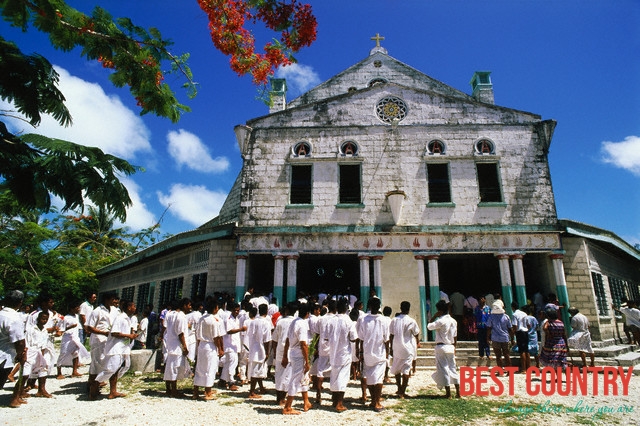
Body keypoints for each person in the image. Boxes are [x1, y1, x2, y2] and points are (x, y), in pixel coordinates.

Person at [95, 300, 138, 399]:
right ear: (129, 307)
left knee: (116, 370)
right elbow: (114, 333)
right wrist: (129, 335)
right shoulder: (120, 318)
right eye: (133, 306)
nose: (135, 308)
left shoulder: (127, 318)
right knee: (110, 369)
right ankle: (93, 387)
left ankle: (113, 391)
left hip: (122, 348)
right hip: (116, 348)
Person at [356, 297, 389, 412]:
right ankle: (377, 402)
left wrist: (359, 351)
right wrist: (388, 352)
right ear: (379, 306)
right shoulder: (384, 320)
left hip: (367, 352)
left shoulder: (363, 319)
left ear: (369, 306)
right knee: (378, 379)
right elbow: (387, 339)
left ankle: (373, 400)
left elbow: (360, 337)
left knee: (369, 378)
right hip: (379, 352)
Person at [86, 292, 118, 400]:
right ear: (107, 299)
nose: (115, 301)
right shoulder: (97, 311)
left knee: (112, 363)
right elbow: (89, 327)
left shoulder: (114, 310)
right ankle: (92, 389)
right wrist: (103, 333)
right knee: (96, 364)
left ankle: (113, 391)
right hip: (99, 341)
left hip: (110, 341)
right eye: (113, 299)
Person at [281, 303, 312, 414]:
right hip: (299, 354)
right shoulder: (302, 324)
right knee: (295, 379)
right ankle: (288, 407)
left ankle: (306, 401)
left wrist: (285, 355)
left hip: (293, 352)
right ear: (307, 313)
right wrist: (307, 361)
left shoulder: (294, 322)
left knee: (303, 377)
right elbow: (303, 343)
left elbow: (288, 340)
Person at [327, 298, 358, 412]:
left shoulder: (331, 321)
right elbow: (353, 338)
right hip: (344, 352)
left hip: (333, 352)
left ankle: (335, 400)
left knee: (334, 376)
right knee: (342, 378)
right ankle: (339, 403)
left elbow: (325, 337)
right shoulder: (348, 321)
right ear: (346, 308)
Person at [193, 299, 225, 400]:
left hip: (202, 344)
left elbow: (197, 334)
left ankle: (196, 391)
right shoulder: (213, 321)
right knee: (210, 369)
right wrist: (220, 348)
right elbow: (216, 337)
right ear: (215, 308)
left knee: (200, 368)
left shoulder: (201, 319)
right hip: (210, 345)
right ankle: (208, 392)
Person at [0, 290, 28, 407]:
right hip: (4, 355)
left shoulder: (1, 314)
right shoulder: (14, 317)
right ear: (20, 302)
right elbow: (19, 341)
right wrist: (21, 354)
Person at [427, 300, 460, 398]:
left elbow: (429, 326)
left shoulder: (440, 320)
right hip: (451, 346)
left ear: (440, 311)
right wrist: (455, 347)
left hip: (441, 346)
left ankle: (448, 393)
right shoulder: (453, 321)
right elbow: (455, 336)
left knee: (444, 369)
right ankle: (458, 392)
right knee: (453, 369)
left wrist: (434, 316)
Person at [389, 301, 420, 399]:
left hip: (397, 347)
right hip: (408, 348)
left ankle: (399, 388)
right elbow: (416, 333)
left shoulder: (394, 320)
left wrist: (390, 347)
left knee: (397, 369)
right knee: (406, 370)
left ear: (400, 308)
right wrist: (418, 342)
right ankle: (402, 392)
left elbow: (391, 335)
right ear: (409, 309)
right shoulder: (411, 321)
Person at [163, 298, 192, 398]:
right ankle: (174, 390)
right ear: (184, 305)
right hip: (177, 346)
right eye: (189, 305)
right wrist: (184, 346)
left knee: (170, 367)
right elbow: (180, 333)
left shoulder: (171, 314)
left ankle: (168, 388)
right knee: (174, 368)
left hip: (171, 344)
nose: (190, 307)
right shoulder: (181, 316)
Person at [25, 311, 55, 398]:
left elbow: (44, 343)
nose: (44, 321)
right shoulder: (31, 329)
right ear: (38, 319)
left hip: (40, 351)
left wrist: (41, 354)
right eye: (42, 319)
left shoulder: (45, 330)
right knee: (27, 371)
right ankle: (21, 390)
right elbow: (27, 341)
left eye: (46, 319)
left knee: (43, 368)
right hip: (31, 351)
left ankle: (41, 390)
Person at [56, 301, 89, 379]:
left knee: (76, 353)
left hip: (75, 338)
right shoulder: (66, 318)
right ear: (71, 309)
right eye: (77, 308)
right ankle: (59, 372)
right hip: (67, 338)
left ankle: (74, 371)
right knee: (63, 353)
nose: (78, 309)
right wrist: (71, 327)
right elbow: (61, 330)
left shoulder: (77, 316)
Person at [247, 303, 271, 398]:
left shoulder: (253, 321)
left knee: (259, 369)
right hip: (260, 349)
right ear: (266, 311)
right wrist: (267, 351)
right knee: (256, 370)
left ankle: (261, 387)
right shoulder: (266, 323)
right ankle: (252, 392)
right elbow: (266, 339)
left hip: (253, 347)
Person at [272, 302, 294, 406]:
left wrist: (275, 351)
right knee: (287, 375)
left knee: (279, 374)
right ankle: (282, 398)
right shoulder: (295, 322)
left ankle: (278, 398)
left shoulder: (280, 322)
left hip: (280, 350)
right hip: (290, 351)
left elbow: (275, 339)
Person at [221, 302, 245, 391]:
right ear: (232, 310)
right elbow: (229, 331)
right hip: (229, 344)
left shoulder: (237, 319)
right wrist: (241, 329)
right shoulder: (228, 319)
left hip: (235, 345)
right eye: (235, 310)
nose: (237, 312)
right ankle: (231, 382)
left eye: (238, 310)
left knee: (228, 363)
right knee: (232, 363)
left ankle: (222, 380)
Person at [486, 301, 512, 369]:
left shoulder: (491, 317)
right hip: (505, 338)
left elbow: (489, 328)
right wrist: (512, 338)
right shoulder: (506, 317)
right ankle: (509, 371)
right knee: (506, 355)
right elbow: (510, 328)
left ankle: (500, 371)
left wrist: (488, 338)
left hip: (495, 338)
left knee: (498, 356)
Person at [511, 302, 530, 373]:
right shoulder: (524, 314)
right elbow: (528, 325)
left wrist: (513, 336)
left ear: (512, 307)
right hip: (525, 332)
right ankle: (529, 367)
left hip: (520, 332)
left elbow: (515, 326)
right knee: (526, 350)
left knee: (522, 351)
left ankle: (523, 368)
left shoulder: (514, 315)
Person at [474, 296, 491, 363]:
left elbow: (490, 317)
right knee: (480, 341)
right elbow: (475, 317)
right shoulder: (477, 308)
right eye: (480, 299)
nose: (481, 300)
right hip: (479, 326)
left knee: (487, 341)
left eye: (482, 298)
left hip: (486, 327)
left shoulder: (488, 308)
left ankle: (488, 354)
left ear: (485, 299)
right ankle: (481, 354)